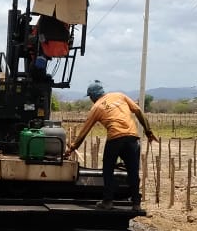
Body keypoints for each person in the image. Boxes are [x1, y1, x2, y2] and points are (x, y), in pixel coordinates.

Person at [65, 81, 157, 212]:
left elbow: (84, 131)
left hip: (115, 138)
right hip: (132, 137)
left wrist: (71, 149)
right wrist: (148, 132)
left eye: (90, 97)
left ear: (92, 96)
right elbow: (138, 111)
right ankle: (136, 204)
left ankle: (108, 201)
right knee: (133, 172)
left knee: (107, 169)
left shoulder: (96, 107)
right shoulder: (120, 96)